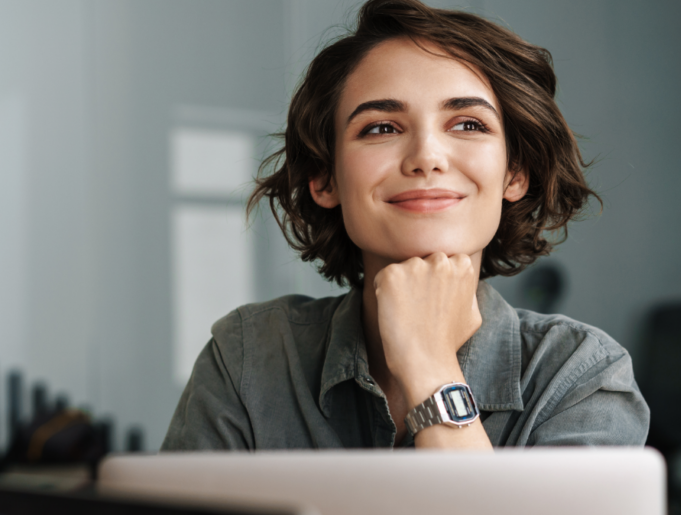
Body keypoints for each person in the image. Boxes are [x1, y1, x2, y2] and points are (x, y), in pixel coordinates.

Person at [162, 0, 649, 453]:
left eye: (467, 125)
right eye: (380, 128)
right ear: (324, 178)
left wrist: (429, 363)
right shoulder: (247, 357)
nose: (426, 158)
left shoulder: (581, 375)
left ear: (514, 173)